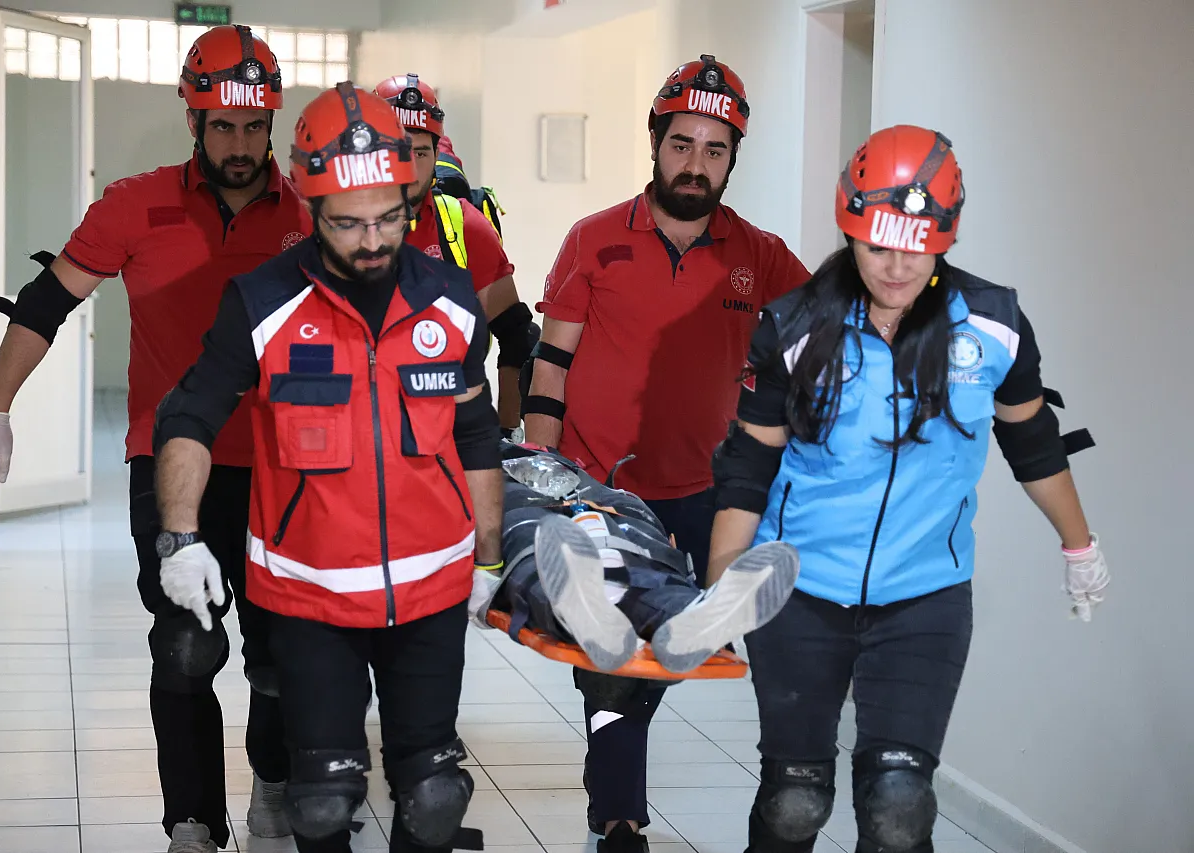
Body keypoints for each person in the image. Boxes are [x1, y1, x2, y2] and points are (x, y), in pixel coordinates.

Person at [711, 125, 1111, 853]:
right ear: (849, 230)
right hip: (799, 590)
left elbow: (1033, 445)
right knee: (794, 799)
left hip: (925, 597)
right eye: (877, 246)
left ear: (946, 236)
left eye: (916, 247)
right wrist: (720, 587)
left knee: (899, 806)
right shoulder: (794, 323)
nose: (896, 266)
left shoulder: (994, 325)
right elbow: (748, 467)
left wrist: (1079, 545)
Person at [0, 25, 309, 853]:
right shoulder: (136, 203)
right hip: (169, 464)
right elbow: (47, 302)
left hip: (284, 467)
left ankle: (274, 779)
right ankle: (191, 819)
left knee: (282, 651)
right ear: (193, 119)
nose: (240, 143)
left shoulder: (307, 211)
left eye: (255, 126)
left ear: (273, 120)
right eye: (222, 126)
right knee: (186, 647)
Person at [150, 81, 505, 853]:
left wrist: (490, 556)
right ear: (311, 209)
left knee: (435, 795)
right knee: (321, 800)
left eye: (388, 216)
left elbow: (475, 435)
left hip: (431, 592)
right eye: (348, 223)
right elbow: (188, 415)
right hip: (308, 600)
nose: (373, 239)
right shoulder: (263, 302)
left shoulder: (451, 303)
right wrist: (180, 536)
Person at [521, 54, 812, 851]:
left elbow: (829, 331)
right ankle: (619, 819)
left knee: (702, 649)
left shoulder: (760, 256)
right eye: (682, 143)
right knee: (613, 661)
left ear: (731, 159)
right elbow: (551, 367)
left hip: (709, 489)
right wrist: (542, 478)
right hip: (603, 486)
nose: (696, 163)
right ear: (655, 142)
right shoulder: (595, 240)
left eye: (715, 149)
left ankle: (789, 795)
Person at [468, 440, 800, 676]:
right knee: (548, 547)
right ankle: (676, 608)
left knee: (626, 542)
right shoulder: (462, 459)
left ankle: (685, 615)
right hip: (528, 507)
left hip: (584, 500)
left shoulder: (488, 449)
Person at [375, 73, 532, 432]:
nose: (410, 168)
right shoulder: (333, 226)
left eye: (420, 153)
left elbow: (516, 334)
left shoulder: (463, 225)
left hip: (452, 439)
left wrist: (508, 435)